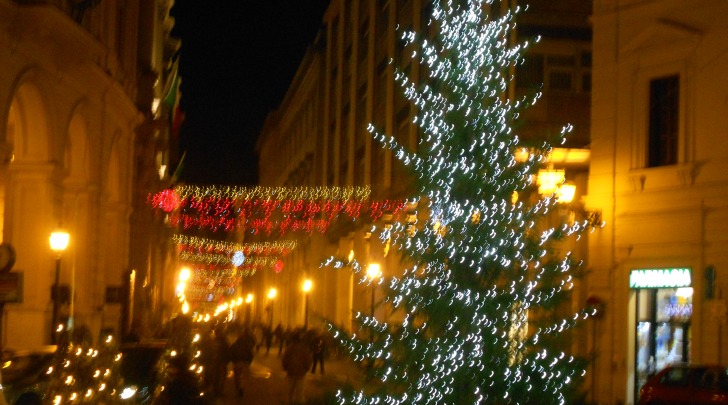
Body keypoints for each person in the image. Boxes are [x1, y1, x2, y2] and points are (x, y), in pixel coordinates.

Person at [282, 330, 313, 404]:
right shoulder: (304, 348)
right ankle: (299, 402)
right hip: (301, 372)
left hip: (291, 371)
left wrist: (286, 367)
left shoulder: (289, 348)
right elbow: (308, 359)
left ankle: (289, 402)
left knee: (290, 390)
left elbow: (284, 359)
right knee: (300, 391)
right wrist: (306, 368)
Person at [230, 326, 256, 397]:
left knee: (236, 377)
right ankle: (242, 387)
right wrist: (249, 361)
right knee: (244, 376)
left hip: (237, 362)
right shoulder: (247, 344)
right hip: (245, 362)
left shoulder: (235, 344)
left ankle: (237, 388)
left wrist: (233, 361)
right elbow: (250, 354)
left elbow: (231, 352)